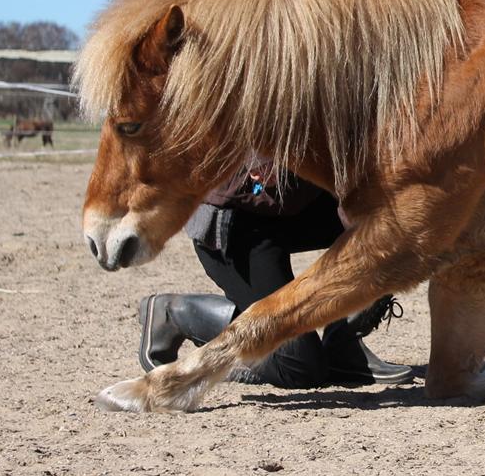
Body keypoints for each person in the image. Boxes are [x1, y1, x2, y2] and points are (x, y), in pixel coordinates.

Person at [137, 165, 412, 388]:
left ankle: (343, 346)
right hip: (237, 227)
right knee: (299, 366)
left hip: (285, 209)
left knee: (398, 221)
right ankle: (175, 314)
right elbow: (258, 183)